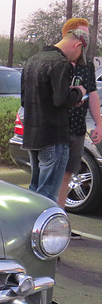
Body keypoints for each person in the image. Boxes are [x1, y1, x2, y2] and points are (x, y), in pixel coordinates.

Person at [22, 30, 87, 202]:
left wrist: (69, 98)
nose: (75, 60)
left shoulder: (32, 60)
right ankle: (44, 229)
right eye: (78, 55)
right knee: (48, 197)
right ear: (77, 45)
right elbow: (60, 99)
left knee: (34, 191)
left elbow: (24, 100)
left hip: (32, 136)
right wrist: (78, 93)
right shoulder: (60, 63)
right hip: (53, 137)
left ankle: (30, 228)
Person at [58, 19, 102, 218]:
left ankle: (60, 218)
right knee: (50, 177)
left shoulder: (86, 66)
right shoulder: (56, 63)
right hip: (55, 130)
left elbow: (92, 94)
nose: (85, 39)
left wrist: (98, 124)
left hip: (77, 130)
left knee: (67, 175)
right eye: (82, 34)